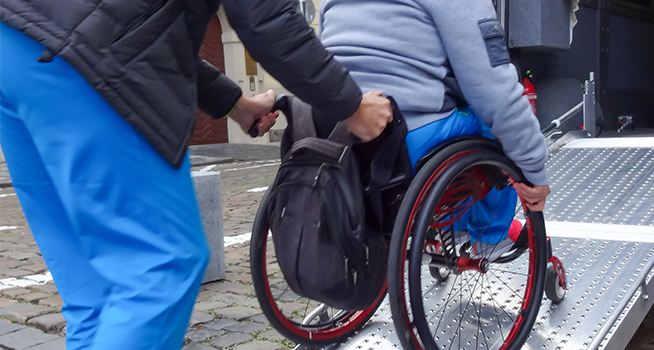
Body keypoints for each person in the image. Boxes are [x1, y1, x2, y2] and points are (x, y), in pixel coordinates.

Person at [0, 1, 393, 349]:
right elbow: (267, 19)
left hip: (16, 44)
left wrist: (236, 105)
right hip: (85, 62)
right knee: (159, 267)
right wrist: (351, 106)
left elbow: (150, 27)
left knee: (94, 291)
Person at [319, 0, 551, 260]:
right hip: (406, 141)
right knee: (498, 125)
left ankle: (457, 227)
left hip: (337, 137)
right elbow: (497, 94)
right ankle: (489, 237)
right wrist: (534, 170)